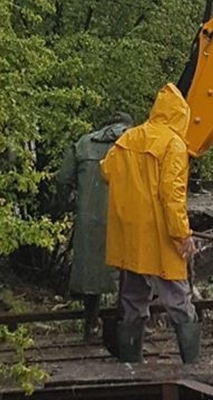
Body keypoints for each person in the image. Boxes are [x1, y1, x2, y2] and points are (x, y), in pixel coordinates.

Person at [100, 83, 199, 364]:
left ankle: (131, 362)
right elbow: (172, 194)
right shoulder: (173, 144)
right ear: (181, 115)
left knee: (132, 296)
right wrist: (182, 234)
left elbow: (106, 171)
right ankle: (191, 363)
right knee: (178, 298)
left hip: (129, 234)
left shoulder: (127, 139)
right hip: (159, 234)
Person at [57, 112, 132, 344]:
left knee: (91, 271)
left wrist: (71, 205)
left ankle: (91, 325)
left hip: (89, 218)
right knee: (129, 270)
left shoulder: (82, 144)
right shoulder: (135, 141)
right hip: (126, 217)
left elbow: (62, 179)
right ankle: (128, 325)